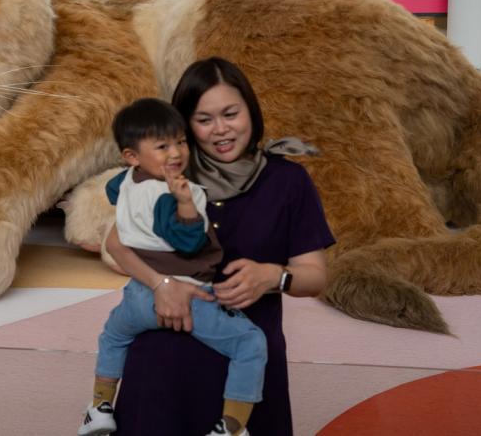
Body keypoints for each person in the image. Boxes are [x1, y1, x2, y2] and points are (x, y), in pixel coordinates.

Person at [107, 57, 335, 435]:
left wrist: (272, 276)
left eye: (231, 113)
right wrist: (161, 285)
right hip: (164, 365)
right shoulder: (164, 174)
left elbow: (315, 277)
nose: (221, 130)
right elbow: (116, 244)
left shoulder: (287, 181)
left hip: (246, 368)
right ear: (185, 125)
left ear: (251, 111)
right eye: (204, 119)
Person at [79, 98, 267, 436]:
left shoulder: (124, 181)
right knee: (250, 343)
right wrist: (185, 203)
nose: (176, 153)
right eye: (162, 146)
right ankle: (234, 426)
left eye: (180, 141)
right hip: (188, 296)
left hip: (138, 296)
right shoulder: (173, 193)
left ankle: (100, 406)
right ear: (132, 155)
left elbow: (112, 194)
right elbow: (189, 241)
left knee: (113, 335)